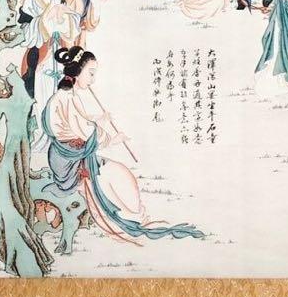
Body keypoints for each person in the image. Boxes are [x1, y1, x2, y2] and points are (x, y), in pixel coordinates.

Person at [42, 46, 205, 246]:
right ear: (78, 71)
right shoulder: (67, 97)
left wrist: (99, 120)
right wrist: (111, 137)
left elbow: (79, 122)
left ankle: (134, 215)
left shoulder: (66, 95)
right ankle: (131, 217)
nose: (93, 79)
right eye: (90, 73)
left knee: (116, 172)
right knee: (114, 173)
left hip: (70, 153)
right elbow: (84, 131)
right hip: (68, 160)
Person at [17, 0, 81, 109]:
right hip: (40, 54)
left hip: (59, 53)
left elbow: (73, 27)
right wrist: (49, 15)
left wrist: (64, 15)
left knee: (58, 97)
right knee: (42, 97)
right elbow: (25, 32)